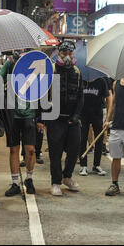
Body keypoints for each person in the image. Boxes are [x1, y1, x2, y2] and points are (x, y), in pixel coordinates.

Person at [44, 41, 84, 196]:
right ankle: (55, 182)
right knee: (55, 153)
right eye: (64, 53)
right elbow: (43, 95)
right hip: (55, 120)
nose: (67, 56)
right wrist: (44, 118)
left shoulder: (77, 72)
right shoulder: (51, 70)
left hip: (72, 120)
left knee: (74, 151)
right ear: (58, 53)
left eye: (70, 53)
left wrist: (76, 116)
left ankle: (67, 177)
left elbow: (80, 97)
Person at [0, 50, 37, 197]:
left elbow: (42, 86)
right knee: (14, 149)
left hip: (29, 113)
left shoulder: (33, 63)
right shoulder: (10, 63)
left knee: (31, 149)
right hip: (12, 113)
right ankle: (15, 183)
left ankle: (29, 178)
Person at [78, 77, 111, 176]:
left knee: (99, 139)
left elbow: (108, 97)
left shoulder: (101, 81)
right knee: (82, 139)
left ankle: (96, 165)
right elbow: (77, 97)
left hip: (97, 114)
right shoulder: (82, 80)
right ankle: (83, 166)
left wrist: (107, 118)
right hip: (83, 114)